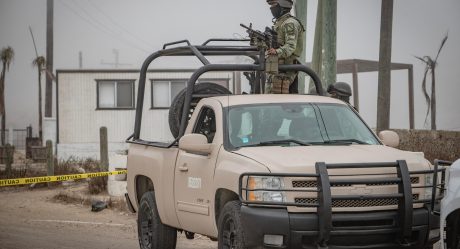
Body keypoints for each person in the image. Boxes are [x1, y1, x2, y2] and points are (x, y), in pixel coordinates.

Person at [265, 0, 305, 94]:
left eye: (274, 5)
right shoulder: (281, 23)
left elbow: (290, 46)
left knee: (277, 100)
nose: (272, 8)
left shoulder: (289, 23)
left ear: (282, 6)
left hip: (285, 69)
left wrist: (276, 52)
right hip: (278, 67)